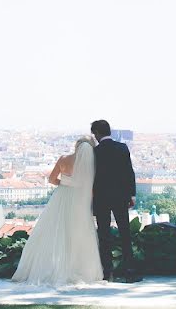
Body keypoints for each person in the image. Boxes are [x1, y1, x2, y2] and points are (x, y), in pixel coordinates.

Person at [11, 136, 103, 286]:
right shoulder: (91, 164)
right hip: (80, 201)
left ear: (76, 146)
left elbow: (52, 179)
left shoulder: (63, 159)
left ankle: (51, 268)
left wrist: (66, 183)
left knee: (55, 230)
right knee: (79, 234)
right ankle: (78, 267)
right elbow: (92, 189)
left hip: (61, 197)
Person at [91, 119, 140, 282]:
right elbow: (129, 172)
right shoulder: (122, 148)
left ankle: (108, 272)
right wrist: (131, 195)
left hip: (101, 198)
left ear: (97, 133)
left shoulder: (95, 152)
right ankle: (130, 272)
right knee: (125, 234)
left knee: (104, 235)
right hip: (120, 197)